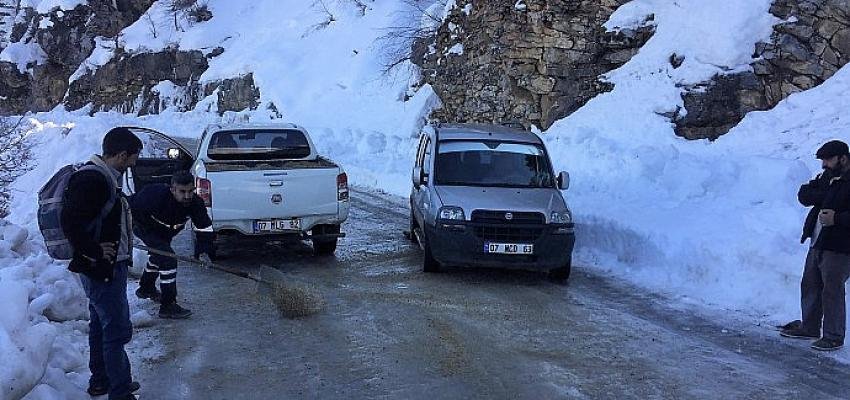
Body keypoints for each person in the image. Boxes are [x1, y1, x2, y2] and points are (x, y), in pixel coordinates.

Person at [61, 127, 142, 399]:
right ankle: (120, 392)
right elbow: (70, 221)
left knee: (100, 324)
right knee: (116, 331)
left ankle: (102, 380)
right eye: (132, 159)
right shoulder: (93, 179)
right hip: (101, 268)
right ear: (121, 155)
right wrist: (93, 250)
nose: (133, 165)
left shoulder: (100, 175)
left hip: (100, 266)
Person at [780, 140, 850, 351]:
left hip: (841, 246)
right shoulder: (826, 176)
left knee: (832, 290)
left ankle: (833, 336)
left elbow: (817, 197)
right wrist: (826, 196)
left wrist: (837, 218)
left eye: (828, 160)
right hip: (818, 240)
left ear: (843, 158)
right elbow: (804, 194)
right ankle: (810, 327)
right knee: (810, 284)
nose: (823, 164)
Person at [130, 170, 214, 319]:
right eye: (182, 191)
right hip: (143, 226)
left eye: (190, 191)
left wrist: (203, 251)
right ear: (172, 189)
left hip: (165, 232)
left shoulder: (195, 203)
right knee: (168, 259)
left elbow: (204, 227)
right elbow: (131, 207)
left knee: (159, 256)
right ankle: (168, 305)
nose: (187, 196)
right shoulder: (154, 195)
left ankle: (146, 287)